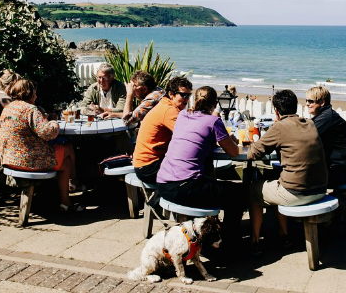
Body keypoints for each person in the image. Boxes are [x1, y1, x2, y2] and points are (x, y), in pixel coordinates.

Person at [156, 86, 246, 242]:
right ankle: (228, 241)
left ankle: (212, 230)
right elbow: (233, 152)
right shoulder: (213, 121)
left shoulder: (183, 115)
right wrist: (230, 138)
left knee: (212, 184)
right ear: (214, 105)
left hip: (163, 183)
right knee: (238, 193)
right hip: (184, 187)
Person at [247, 90, 328, 255]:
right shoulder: (309, 123)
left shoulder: (279, 127)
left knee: (254, 189)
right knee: (277, 182)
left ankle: (254, 241)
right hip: (320, 189)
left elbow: (252, 154)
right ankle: (283, 235)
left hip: (297, 193)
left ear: (276, 111)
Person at [0, 79, 83, 212]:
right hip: (29, 161)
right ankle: (74, 184)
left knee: (65, 163)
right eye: (34, 93)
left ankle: (66, 203)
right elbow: (48, 133)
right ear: (28, 93)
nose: (36, 96)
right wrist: (53, 121)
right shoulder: (30, 110)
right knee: (67, 147)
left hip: (9, 160)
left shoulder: (8, 108)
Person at [132, 76, 192, 185]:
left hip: (144, 164)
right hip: (148, 167)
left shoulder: (165, 104)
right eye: (183, 95)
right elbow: (189, 137)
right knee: (194, 165)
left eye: (189, 95)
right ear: (171, 94)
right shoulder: (170, 110)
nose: (186, 99)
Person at [305, 86, 346, 187]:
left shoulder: (326, 117)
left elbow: (304, 137)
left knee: (300, 180)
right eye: (306, 101)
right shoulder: (327, 115)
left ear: (322, 102)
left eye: (311, 101)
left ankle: (340, 199)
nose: (307, 104)